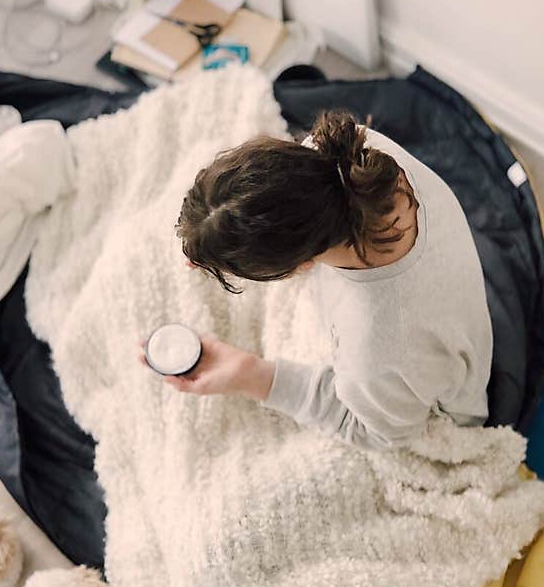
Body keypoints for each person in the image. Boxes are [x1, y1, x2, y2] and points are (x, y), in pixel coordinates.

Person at [160, 109, 493, 450]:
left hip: (444, 416)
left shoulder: (378, 346)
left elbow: (379, 435)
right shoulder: (350, 153)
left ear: (301, 265)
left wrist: (253, 376)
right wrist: (213, 236)